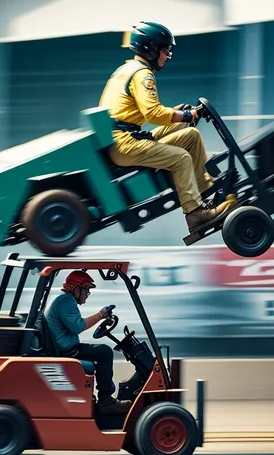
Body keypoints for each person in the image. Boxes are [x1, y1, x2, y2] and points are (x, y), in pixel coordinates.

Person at [98, 20, 237, 232]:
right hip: (125, 144)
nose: (167, 55)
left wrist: (181, 113)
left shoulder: (127, 69)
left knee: (191, 135)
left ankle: (203, 189)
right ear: (151, 48)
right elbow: (152, 113)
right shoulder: (142, 74)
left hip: (125, 138)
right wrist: (187, 114)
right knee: (180, 158)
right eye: (165, 49)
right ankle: (195, 215)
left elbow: (143, 111)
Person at [45, 269, 131, 415]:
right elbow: (78, 326)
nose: (87, 294)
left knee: (102, 350)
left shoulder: (65, 300)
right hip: (67, 352)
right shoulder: (66, 301)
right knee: (104, 352)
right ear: (76, 288)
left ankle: (104, 399)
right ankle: (106, 401)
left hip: (67, 348)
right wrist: (100, 315)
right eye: (85, 290)